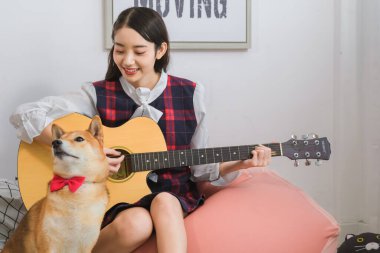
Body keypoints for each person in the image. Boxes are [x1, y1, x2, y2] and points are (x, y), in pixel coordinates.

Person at [9, 7, 271, 253]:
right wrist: (88, 155)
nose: (128, 60)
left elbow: (201, 170)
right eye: (119, 50)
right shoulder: (96, 93)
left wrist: (241, 164)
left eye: (139, 51)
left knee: (165, 201)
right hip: (116, 200)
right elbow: (25, 114)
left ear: (160, 50)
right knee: (137, 224)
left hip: (173, 195)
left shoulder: (190, 93)